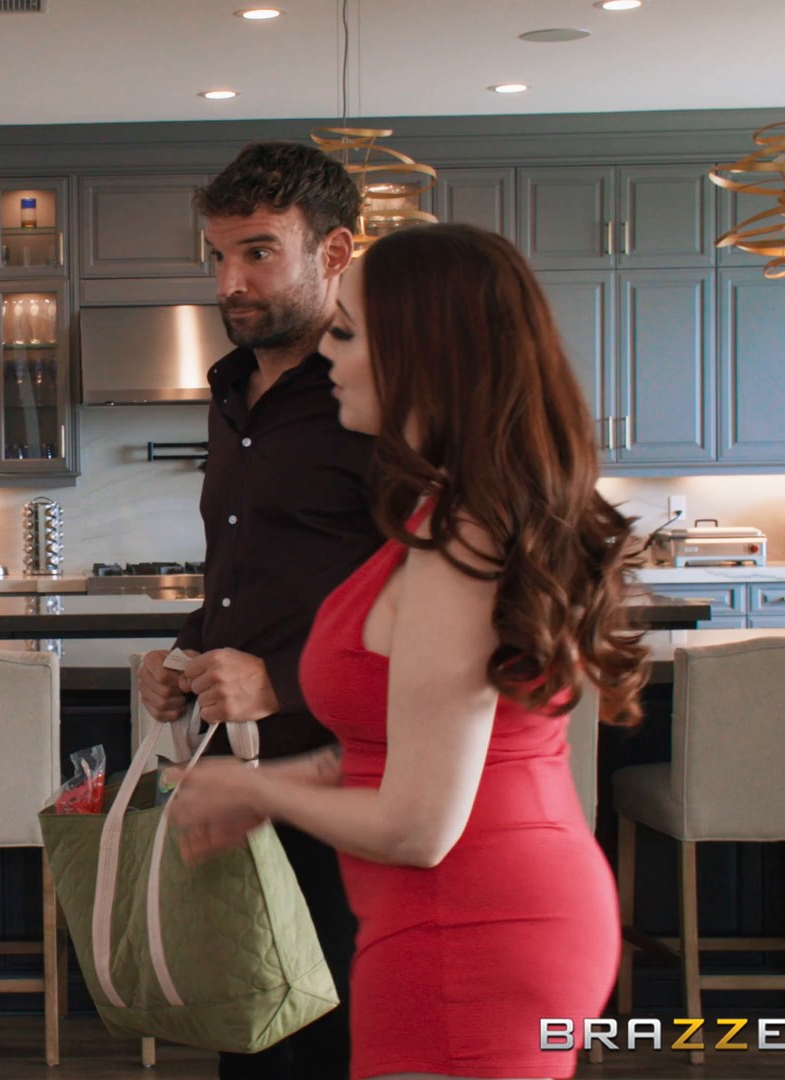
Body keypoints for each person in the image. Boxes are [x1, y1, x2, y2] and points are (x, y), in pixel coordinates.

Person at [168, 222, 648, 1080]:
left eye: (348, 335)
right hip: (459, 917)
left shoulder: (463, 541)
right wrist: (272, 786)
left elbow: (418, 826)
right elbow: (391, 751)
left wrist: (254, 786)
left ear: (423, 357)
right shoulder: (448, 515)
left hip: (473, 931)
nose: (329, 356)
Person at [135, 141, 384, 1080]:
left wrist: (278, 683)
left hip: (345, 776)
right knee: (252, 1030)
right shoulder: (232, 391)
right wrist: (184, 651)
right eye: (217, 255)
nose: (229, 283)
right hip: (239, 776)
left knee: (331, 1038)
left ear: (334, 251)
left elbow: (425, 602)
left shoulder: (375, 394)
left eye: (258, 253)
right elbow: (247, 569)